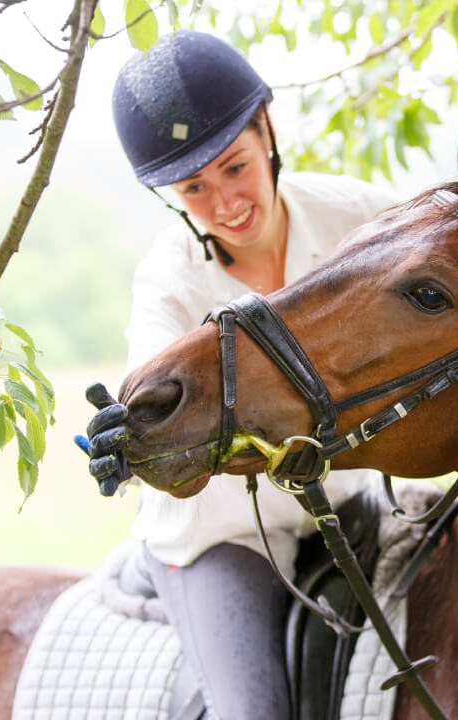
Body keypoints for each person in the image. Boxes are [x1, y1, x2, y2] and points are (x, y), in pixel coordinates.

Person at [95, 30, 397, 719]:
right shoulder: (167, 283)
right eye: (194, 188)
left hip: (348, 509)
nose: (226, 202)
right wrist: (121, 436)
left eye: (234, 167)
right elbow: (143, 389)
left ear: (266, 131)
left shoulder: (360, 216)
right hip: (219, 537)